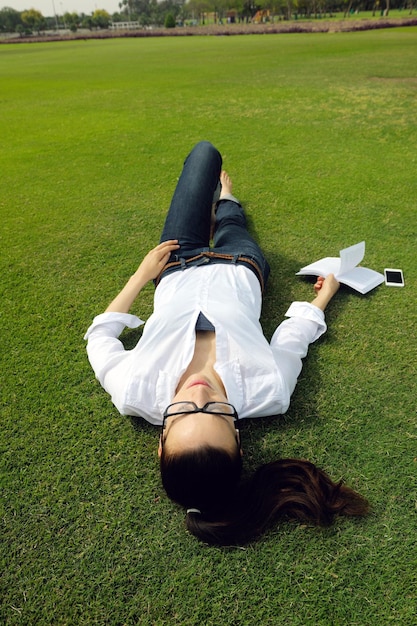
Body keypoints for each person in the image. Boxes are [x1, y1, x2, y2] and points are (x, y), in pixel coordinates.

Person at [84, 141, 369, 545]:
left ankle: (221, 201)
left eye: (182, 413)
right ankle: (229, 201)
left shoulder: (133, 391)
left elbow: (100, 337)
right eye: (214, 412)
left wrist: (142, 275)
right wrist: (325, 296)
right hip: (241, 266)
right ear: (236, 433)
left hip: (175, 262)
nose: (198, 394)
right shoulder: (268, 392)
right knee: (233, 227)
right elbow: (292, 340)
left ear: (161, 442)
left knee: (203, 154)